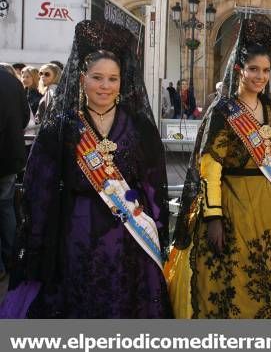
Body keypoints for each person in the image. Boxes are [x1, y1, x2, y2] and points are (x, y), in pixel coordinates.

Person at [0, 20, 172, 318]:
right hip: (73, 235)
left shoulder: (139, 127)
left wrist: (155, 227)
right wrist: (40, 241)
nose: (105, 86)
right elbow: (39, 190)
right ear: (82, 79)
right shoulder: (61, 127)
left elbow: (153, 184)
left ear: (123, 81)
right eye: (97, 77)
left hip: (128, 237)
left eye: (113, 79)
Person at [165, 18, 271, 319]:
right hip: (232, 201)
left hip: (270, 201)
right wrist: (214, 216)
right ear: (239, 71)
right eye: (254, 69)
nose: (260, 76)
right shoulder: (223, 111)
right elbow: (210, 167)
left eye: (266, 70)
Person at [0, 69, 29, 283]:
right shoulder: (12, 80)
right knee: (6, 208)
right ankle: (12, 258)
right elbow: (25, 117)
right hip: (10, 157)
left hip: (9, 156)